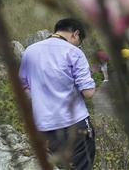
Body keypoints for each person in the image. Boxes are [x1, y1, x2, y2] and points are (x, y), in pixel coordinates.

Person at [19, 18, 97, 170]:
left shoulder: (30, 51)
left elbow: (23, 86)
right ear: (75, 34)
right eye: (79, 41)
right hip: (75, 125)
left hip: (45, 126)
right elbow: (88, 93)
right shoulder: (74, 52)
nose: (77, 45)